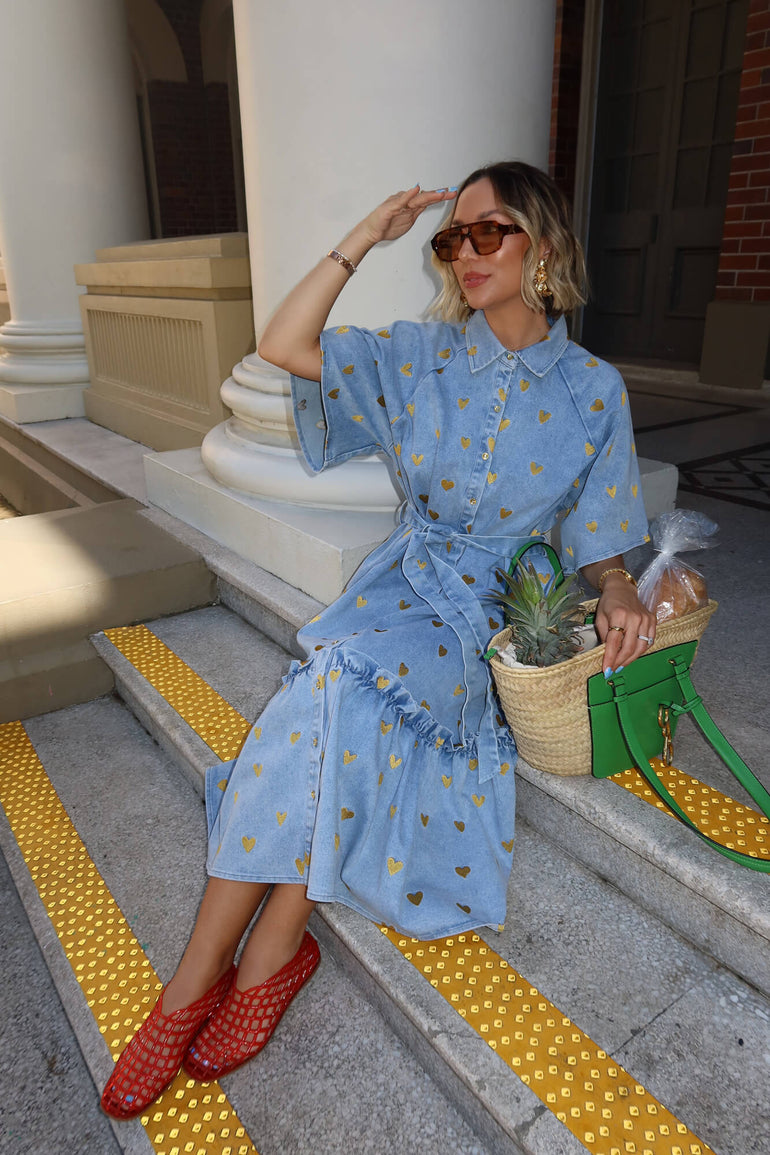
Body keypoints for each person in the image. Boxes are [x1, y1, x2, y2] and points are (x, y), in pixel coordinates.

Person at [101, 161, 657, 1119]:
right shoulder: (421, 356)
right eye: (454, 239)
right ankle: (222, 965)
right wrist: (367, 232)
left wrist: (618, 593)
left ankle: (247, 957)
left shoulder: (592, 390)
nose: (466, 253)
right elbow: (282, 342)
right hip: (400, 584)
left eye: (490, 232)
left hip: (487, 614)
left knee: (336, 683)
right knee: (337, 685)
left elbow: (603, 541)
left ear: (545, 245)